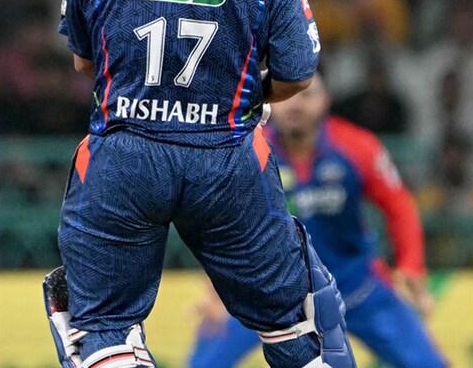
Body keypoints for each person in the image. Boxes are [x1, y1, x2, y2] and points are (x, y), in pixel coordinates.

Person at [47, 0, 354, 368]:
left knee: (103, 331)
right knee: (305, 323)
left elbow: (85, 64)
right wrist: (235, 99)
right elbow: (296, 75)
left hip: (125, 158)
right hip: (227, 159)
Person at [189, 74, 445, 368]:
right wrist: (215, 289)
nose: (294, 104)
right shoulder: (245, 151)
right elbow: (219, 223)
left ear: (326, 101)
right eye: (284, 96)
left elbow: (399, 205)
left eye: (306, 95)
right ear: (268, 103)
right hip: (268, 292)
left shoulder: (358, 146)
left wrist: (411, 264)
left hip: (357, 287)